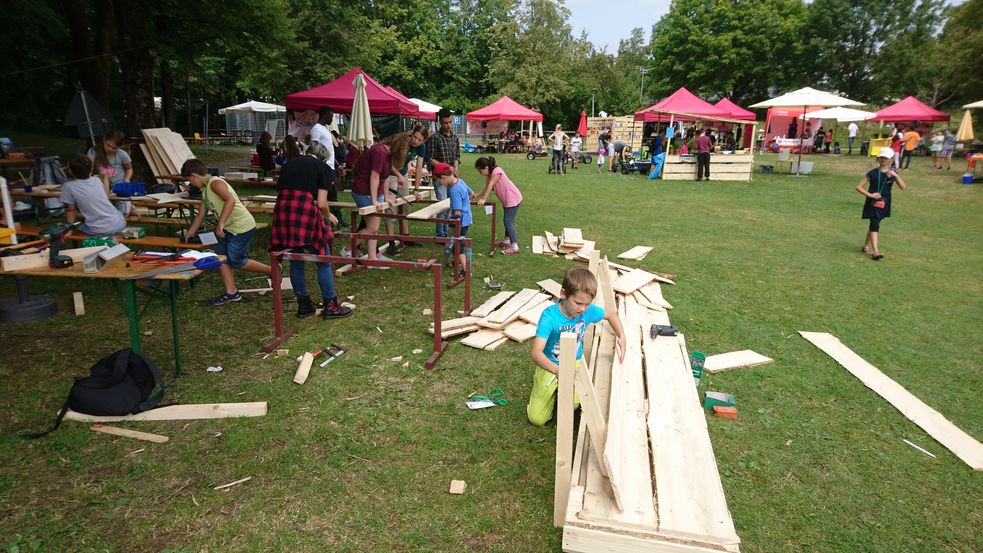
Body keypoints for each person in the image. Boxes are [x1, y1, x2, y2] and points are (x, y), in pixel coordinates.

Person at [527, 267, 626, 427]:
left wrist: (621, 336)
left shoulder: (586, 311)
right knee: (537, 419)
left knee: (571, 405)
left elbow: (611, 314)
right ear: (563, 294)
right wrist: (557, 370)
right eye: (578, 303)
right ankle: (546, 389)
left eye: (587, 304)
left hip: (576, 363)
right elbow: (536, 353)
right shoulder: (549, 317)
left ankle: (562, 393)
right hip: (551, 366)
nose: (583, 309)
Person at [269, 143, 352, 319]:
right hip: (303, 210)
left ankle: (304, 305)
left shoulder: (289, 163)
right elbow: (321, 203)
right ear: (323, 158)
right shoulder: (323, 168)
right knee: (323, 257)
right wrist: (329, 216)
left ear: (307, 152)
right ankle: (331, 305)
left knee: (295, 259)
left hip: (282, 209)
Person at [181, 159, 272, 306]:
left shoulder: (215, 184)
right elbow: (200, 215)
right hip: (228, 228)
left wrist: (221, 223)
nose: (190, 184)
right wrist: (190, 233)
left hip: (241, 226)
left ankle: (271, 270)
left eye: (189, 181)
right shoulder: (205, 191)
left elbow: (230, 200)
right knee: (221, 258)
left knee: (236, 260)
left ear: (194, 176)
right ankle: (231, 292)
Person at [349, 132, 412, 266]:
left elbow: (385, 177)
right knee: (372, 228)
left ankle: (372, 258)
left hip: (373, 192)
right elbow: (375, 176)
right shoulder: (380, 152)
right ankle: (348, 249)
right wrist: (374, 200)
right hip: (363, 191)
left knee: (374, 228)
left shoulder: (387, 154)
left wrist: (386, 195)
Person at [856, 148, 907, 261]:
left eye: (886, 158)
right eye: (881, 157)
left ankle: (866, 246)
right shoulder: (872, 173)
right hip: (872, 202)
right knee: (875, 224)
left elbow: (903, 187)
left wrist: (896, 176)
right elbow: (858, 187)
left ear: (890, 160)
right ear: (877, 159)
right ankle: (875, 251)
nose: (883, 159)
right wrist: (869, 195)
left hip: (885, 202)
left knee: (875, 223)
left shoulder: (892, 174)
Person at [60, 155, 126, 237]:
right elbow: (106, 195)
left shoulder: (68, 186)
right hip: (119, 223)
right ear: (91, 169)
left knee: (80, 227)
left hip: (99, 229)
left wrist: (69, 230)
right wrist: (105, 178)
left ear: (70, 171)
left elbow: (70, 211)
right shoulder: (96, 180)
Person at [474, 156, 522, 255]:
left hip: (512, 198)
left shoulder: (497, 171)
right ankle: (506, 241)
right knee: (508, 221)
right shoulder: (489, 175)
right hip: (507, 200)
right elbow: (487, 187)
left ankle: (515, 246)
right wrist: (476, 195)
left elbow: (491, 185)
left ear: (486, 167)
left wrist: (483, 199)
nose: (480, 173)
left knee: (508, 222)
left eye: (480, 170)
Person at [433, 162, 473, 276]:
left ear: (443, 177)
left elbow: (457, 212)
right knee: (459, 243)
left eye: (440, 181)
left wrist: (452, 223)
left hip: (460, 221)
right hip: (467, 219)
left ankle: (466, 271)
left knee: (458, 246)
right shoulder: (460, 181)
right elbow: (472, 194)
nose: (441, 183)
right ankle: (457, 263)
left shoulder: (453, 190)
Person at [426, 108, 459, 238]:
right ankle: (440, 234)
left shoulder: (455, 137)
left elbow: (457, 156)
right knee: (442, 206)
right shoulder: (435, 138)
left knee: (451, 205)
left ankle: (446, 232)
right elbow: (431, 159)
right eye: (445, 123)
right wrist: (446, 167)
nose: (448, 125)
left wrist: (456, 169)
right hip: (440, 178)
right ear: (440, 122)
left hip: (452, 177)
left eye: (450, 122)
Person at [87, 129, 133, 215]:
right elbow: (88, 168)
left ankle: (130, 208)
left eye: (114, 148)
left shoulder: (122, 154)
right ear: (104, 140)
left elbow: (129, 169)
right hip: (103, 185)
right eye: (108, 145)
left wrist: (126, 179)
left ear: (119, 147)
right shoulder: (94, 151)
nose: (110, 149)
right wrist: (87, 179)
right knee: (106, 210)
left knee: (124, 212)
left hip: (119, 186)